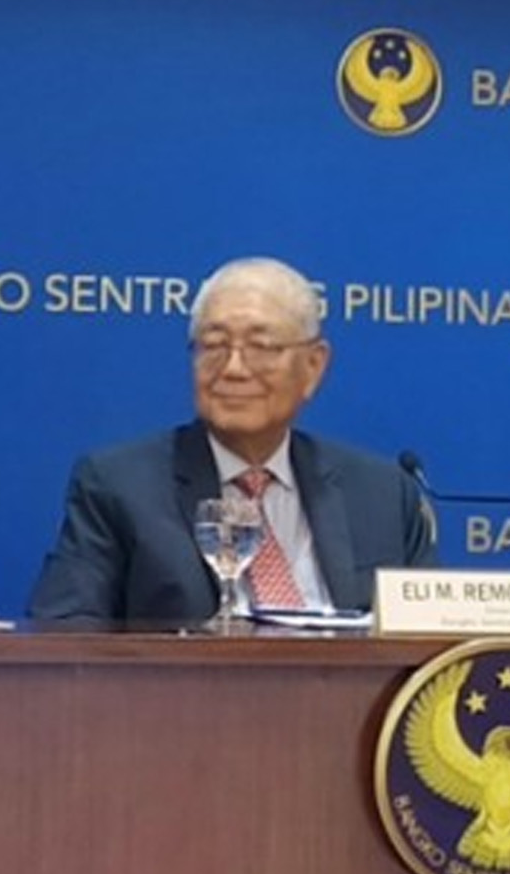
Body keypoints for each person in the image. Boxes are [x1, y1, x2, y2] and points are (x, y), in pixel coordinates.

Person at [29, 256, 436, 622]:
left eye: (261, 346)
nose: (234, 369)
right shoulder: (119, 486)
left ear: (313, 366)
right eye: (214, 345)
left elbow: (435, 644)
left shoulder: (382, 494)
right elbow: (65, 632)